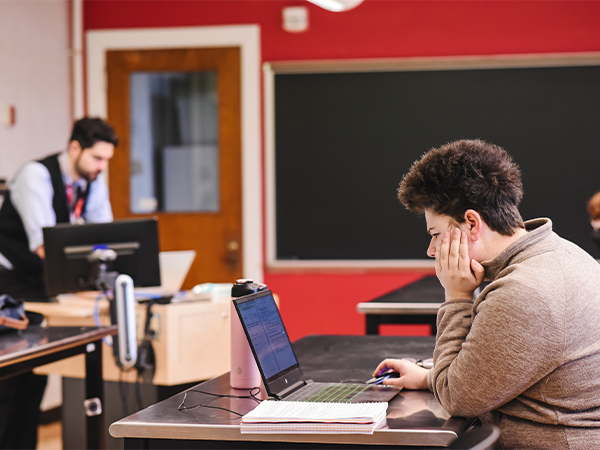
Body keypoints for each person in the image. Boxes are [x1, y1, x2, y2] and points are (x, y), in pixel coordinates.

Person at [373, 139, 600, 449]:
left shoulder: (524, 292)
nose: (431, 250)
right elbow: (498, 372)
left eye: (436, 235)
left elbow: (458, 399)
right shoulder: (560, 251)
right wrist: (429, 378)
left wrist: (456, 296)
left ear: (471, 223)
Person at [0, 117, 117, 449]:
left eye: (106, 160)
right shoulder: (36, 176)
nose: (101, 167)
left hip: (41, 284)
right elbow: (44, 247)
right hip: (9, 283)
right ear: (75, 148)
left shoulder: (92, 181)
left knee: (34, 379)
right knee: (11, 385)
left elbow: (103, 238)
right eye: (97, 158)